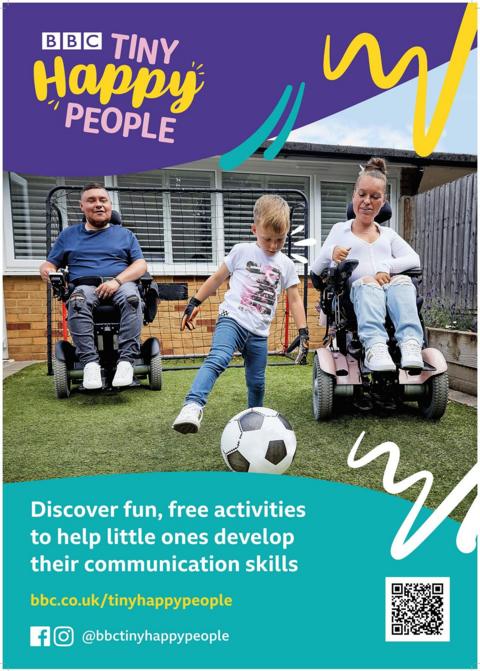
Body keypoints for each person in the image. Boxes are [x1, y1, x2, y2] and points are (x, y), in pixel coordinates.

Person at [172, 194, 309, 434]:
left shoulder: (286, 264)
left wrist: (303, 331)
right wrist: (194, 301)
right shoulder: (241, 251)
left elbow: (295, 299)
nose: (273, 245)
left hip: (259, 332)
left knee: (257, 382)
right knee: (219, 358)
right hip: (232, 319)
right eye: (267, 239)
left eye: (280, 239)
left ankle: (254, 424)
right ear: (254, 229)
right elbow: (216, 278)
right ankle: (192, 406)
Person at [311, 157, 424, 372]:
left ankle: (410, 344)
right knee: (366, 283)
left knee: (402, 281)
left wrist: (386, 266)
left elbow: (414, 259)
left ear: (383, 201)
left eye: (375, 197)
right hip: (356, 300)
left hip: (391, 298)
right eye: (361, 194)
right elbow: (316, 271)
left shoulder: (388, 235)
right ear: (353, 195)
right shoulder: (340, 230)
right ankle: (375, 346)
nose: (367, 201)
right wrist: (330, 253)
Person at [39, 183, 147, 389]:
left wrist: (116, 282)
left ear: (110, 205)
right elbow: (50, 263)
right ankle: (90, 364)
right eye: (92, 200)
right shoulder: (68, 235)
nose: (98, 204)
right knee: (78, 301)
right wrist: (46, 269)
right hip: (84, 286)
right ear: (82, 207)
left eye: (102, 200)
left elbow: (140, 264)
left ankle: (126, 362)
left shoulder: (126, 235)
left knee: (132, 298)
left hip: (120, 283)